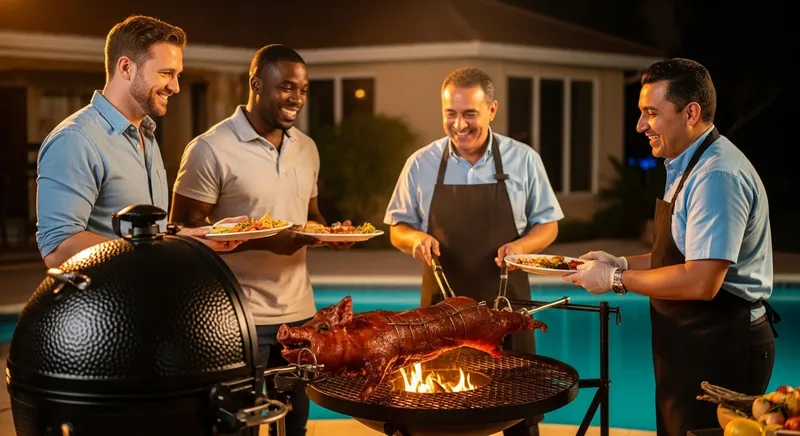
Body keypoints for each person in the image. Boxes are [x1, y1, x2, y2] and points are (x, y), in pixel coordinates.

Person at [562, 58, 778, 435]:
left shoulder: (717, 176)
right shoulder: (688, 164)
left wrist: (616, 279)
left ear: (690, 112)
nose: (640, 125)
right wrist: (622, 261)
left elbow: (701, 281)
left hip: (723, 346)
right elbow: (679, 253)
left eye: (651, 113)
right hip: (693, 343)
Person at [169, 44, 343, 436]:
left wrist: (328, 234)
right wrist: (262, 241)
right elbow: (182, 232)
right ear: (256, 84)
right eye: (286, 87)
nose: (296, 98)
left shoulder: (306, 149)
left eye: (302, 89)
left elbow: (311, 216)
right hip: (239, 316)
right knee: (239, 425)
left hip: (300, 312)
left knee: (294, 423)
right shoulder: (210, 148)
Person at [384, 67, 563, 436]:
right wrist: (415, 240)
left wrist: (520, 248)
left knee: (518, 408)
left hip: (507, 305)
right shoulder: (421, 163)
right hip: (440, 313)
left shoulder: (523, 159)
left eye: (470, 114)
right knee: (439, 410)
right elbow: (397, 228)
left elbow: (548, 225)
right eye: (451, 113)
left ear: (492, 110)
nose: (459, 124)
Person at [35, 15, 240, 268]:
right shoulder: (75, 140)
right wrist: (149, 251)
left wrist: (194, 237)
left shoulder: (146, 135)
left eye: (178, 75)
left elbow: (147, 236)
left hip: (147, 297)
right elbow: (59, 248)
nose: (175, 87)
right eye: (166, 73)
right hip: (106, 305)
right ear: (125, 68)